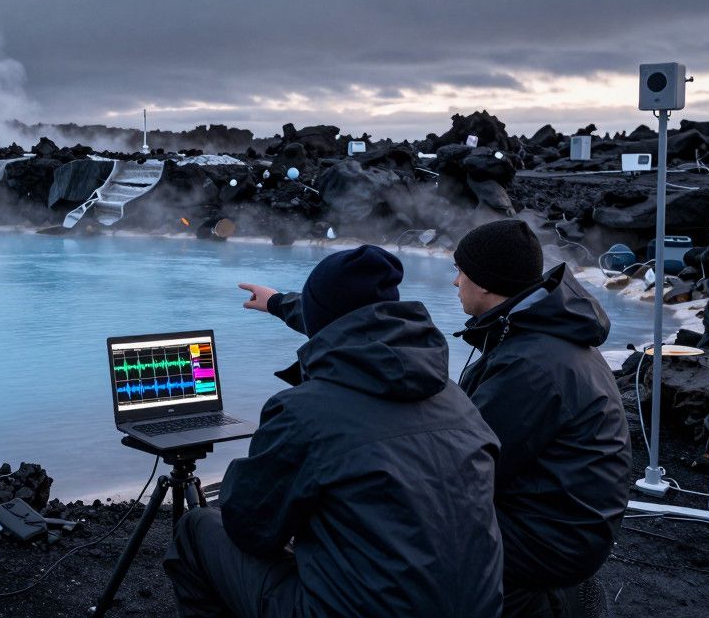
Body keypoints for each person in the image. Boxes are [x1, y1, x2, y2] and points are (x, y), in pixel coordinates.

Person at [163, 245, 504, 618]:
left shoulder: (304, 411)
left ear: (319, 318)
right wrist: (279, 302)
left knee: (197, 529)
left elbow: (250, 529)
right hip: (478, 606)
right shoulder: (456, 398)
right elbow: (347, 320)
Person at [452, 219, 631, 617]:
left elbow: (469, 464)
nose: (455, 282)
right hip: (569, 518)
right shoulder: (539, 335)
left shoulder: (532, 364)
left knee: (417, 524)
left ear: (483, 281)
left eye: (459, 270)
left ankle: (531, 604)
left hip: (557, 539)